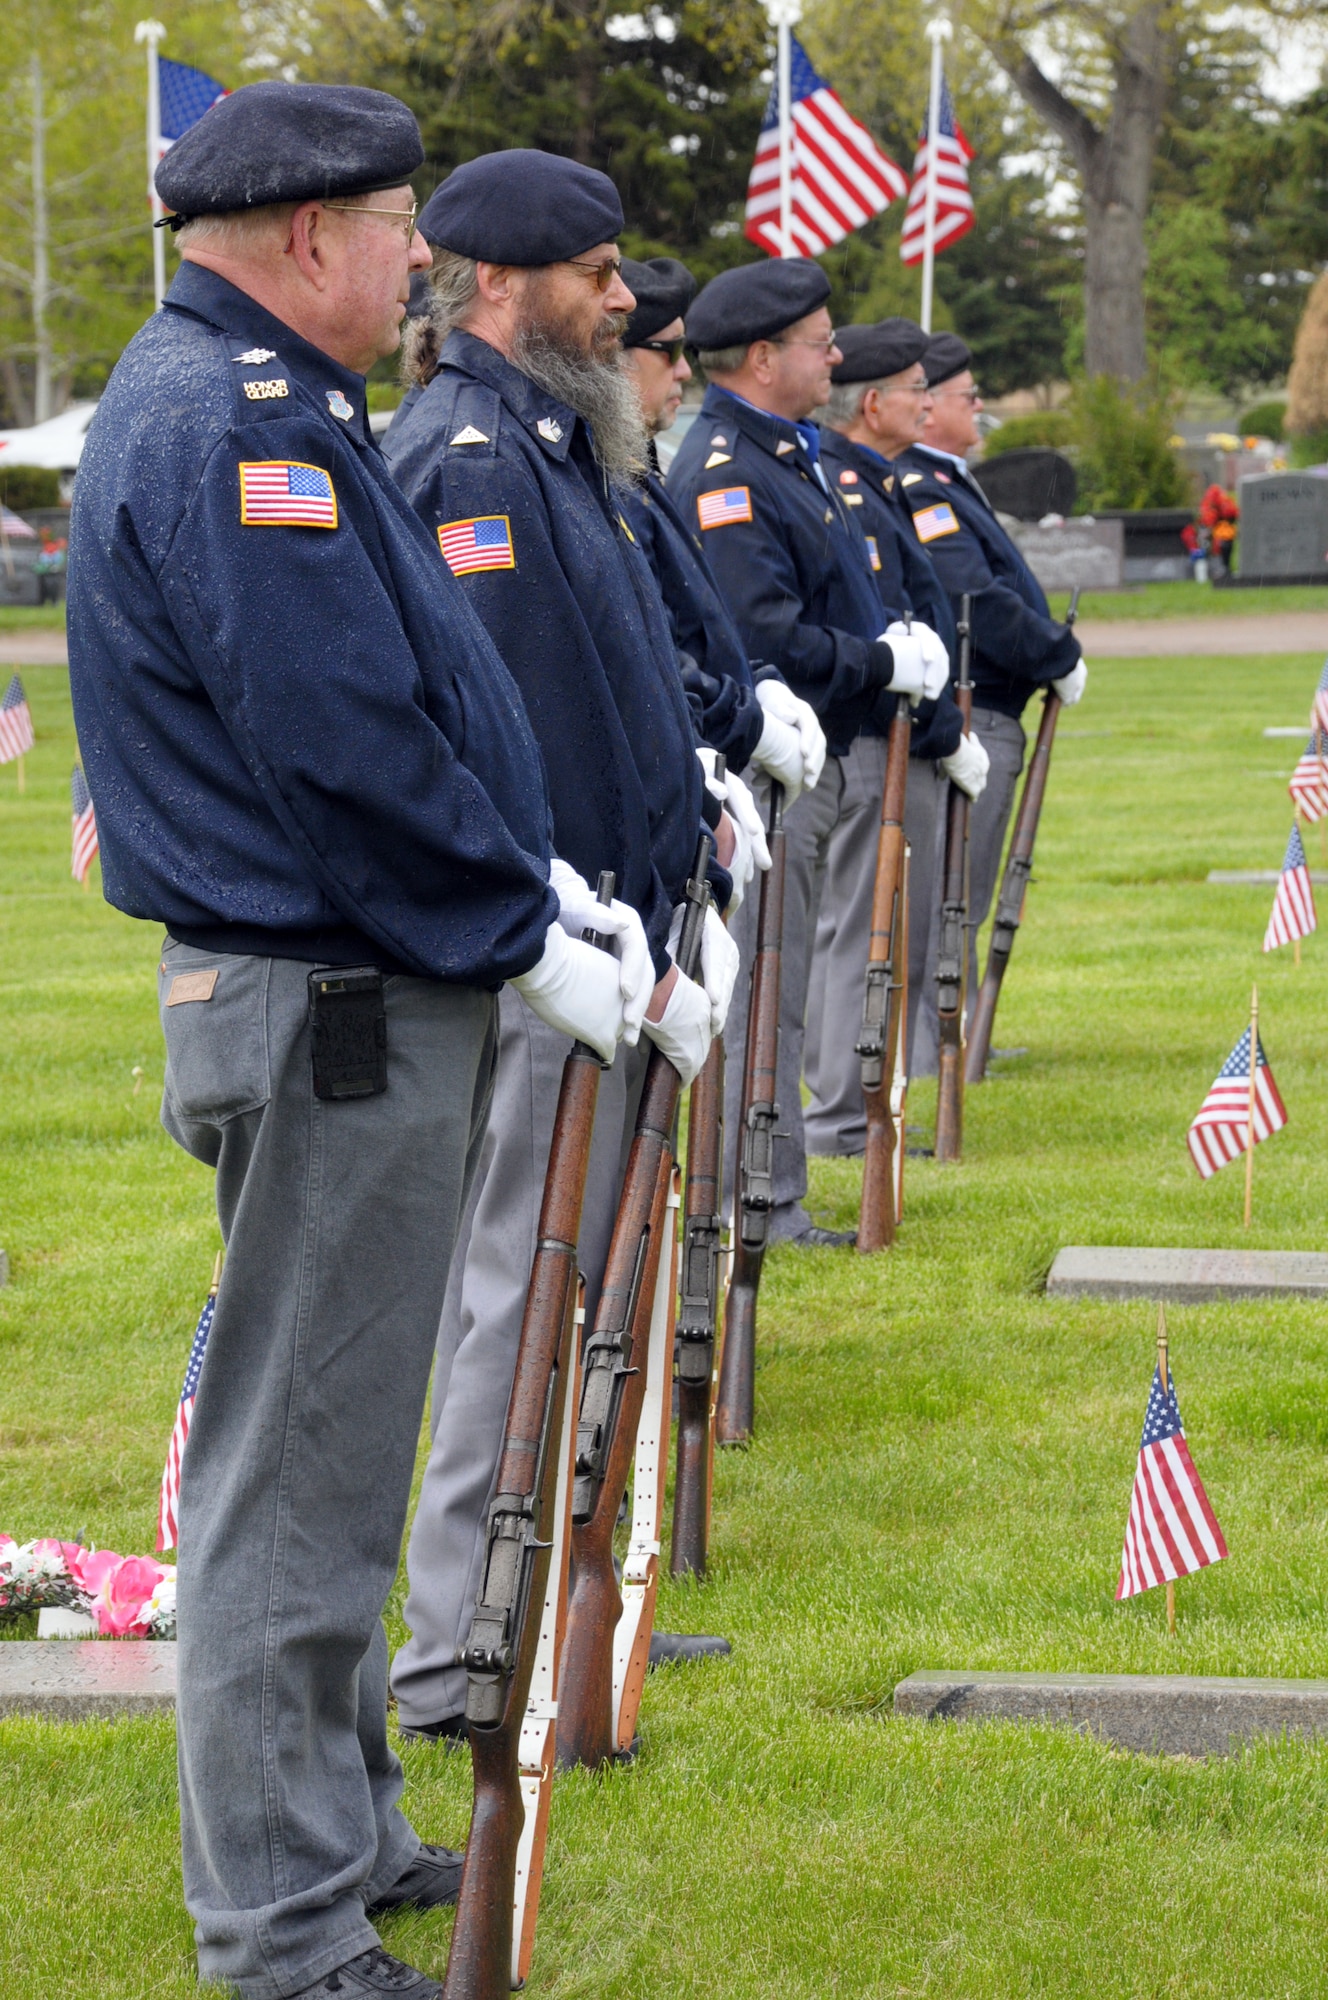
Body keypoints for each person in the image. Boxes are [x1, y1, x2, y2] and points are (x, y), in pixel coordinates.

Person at [67, 83, 649, 2000]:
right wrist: (512, 923)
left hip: (348, 996)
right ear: (309, 236)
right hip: (325, 1008)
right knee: (293, 1491)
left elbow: (394, 708)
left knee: (335, 1447)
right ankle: (282, 1932)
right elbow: (340, 745)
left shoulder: (271, 403)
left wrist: (534, 886)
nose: (421, 258)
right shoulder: (238, 429)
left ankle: (335, 1830)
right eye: (400, 224)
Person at [381, 152, 741, 1742]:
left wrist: (691, 863)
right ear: (509, 284)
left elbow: (624, 695)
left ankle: (548, 1606)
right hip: (551, 955)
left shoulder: (553, 446)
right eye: (597, 274)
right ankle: (465, 1645)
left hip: (616, 939)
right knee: (515, 1294)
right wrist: (600, 924)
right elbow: (517, 738)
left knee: (571, 1287)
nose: (623, 299)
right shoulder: (474, 458)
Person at [667, 260, 950, 1244]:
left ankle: (772, 1185)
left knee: (789, 980)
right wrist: (876, 660)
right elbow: (764, 634)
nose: (834, 354)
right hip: (768, 761)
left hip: (812, 751)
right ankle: (759, 1194)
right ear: (759, 355)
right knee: (766, 990)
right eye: (816, 341)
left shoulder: (782, 458)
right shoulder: (725, 472)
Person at [808, 320, 988, 1119]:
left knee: (890, 934)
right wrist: (946, 732)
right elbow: (882, 625)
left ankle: (860, 1102)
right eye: (917, 390)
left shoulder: (872, 483)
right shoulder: (849, 487)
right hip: (883, 737)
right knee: (867, 934)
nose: (928, 403)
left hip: (907, 733)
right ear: (873, 403)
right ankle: (846, 1110)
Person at [894, 331, 1086, 1002]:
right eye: (968, 397)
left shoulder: (945, 479)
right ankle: (945, 1036)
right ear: (931, 404)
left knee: (966, 887)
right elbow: (974, 598)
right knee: (955, 890)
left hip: (997, 709)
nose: (980, 408)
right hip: (980, 711)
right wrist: (1056, 652)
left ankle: (960, 1027)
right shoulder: (922, 485)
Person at [616, 255, 825, 807]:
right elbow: (644, 647)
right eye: (669, 351)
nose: (686, 370)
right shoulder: (722, 470)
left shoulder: (632, 465)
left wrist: (757, 681)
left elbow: (697, 623)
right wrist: (745, 718)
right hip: (689, 763)